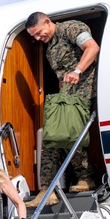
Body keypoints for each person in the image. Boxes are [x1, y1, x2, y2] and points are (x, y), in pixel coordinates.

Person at [25, 11, 101, 206]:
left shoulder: (70, 28)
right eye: (34, 36)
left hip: (84, 93)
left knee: (65, 134)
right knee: (53, 136)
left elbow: (92, 47)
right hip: (69, 97)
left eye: (39, 33)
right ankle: (48, 189)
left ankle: (85, 178)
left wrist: (77, 70)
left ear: (48, 22)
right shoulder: (50, 45)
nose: (38, 38)